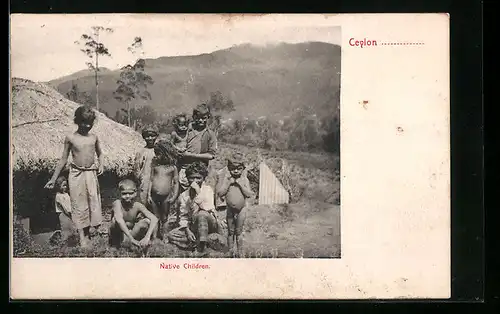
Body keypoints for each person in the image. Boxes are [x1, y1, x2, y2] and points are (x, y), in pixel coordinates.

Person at [44, 106, 104, 249]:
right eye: (84, 122)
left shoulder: (94, 137)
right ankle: (82, 237)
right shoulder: (71, 138)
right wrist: (53, 179)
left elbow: (100, 153)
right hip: (76, 175)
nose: (87, 126)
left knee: (92, 203)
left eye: (90, 122)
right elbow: (63, 159)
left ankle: (89, 234)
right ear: (77, 121)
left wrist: (101, 164)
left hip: (91, 173)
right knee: (79, 204)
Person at [167, 161, 221, 257]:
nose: (195, 180)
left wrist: (198, 192)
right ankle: (200, 240)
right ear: (187, 178)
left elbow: (207, 207)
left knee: (201, 214)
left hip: (209, 222)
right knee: (171, 235)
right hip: (194, 224)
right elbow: (183, 216)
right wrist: (187, 230)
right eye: (192, 177)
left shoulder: (207, 190)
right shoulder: (184, 195)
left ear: (203, 178)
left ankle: (201, 249)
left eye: (198, 178)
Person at [216, 153, 255, 257]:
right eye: (233, 168)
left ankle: (240, 252)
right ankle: (230, 251)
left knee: (239, 231)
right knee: (230, 231)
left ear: (242, 169)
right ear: (229, 168)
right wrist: (229, 184)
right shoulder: (227, 179)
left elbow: (249, 194)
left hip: (241, 209)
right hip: (230, 209)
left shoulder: (244, 180)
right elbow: (220, 193)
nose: (236, 171)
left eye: (239, 169)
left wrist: (241, 185)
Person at [108, 179, 159, 252]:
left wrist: (147, 237)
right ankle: (115, 244)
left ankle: (151, 241)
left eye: (130, 193)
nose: (127, 196)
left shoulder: (137, 205)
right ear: (119, 193)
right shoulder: (117, 203)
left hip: (131, 234)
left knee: (146, 221)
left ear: (135, 193)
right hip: (120, 235)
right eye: (124, 194)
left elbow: (154, 219)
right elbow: (119, 219)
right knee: (114, 221)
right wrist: (132, 239)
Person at [177, 104, 218, 191]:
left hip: (199, 171)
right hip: (184, 168)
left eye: (204, 118)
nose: (200, 120)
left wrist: (191, 155)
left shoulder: (210, 134)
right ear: (194, 117)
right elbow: (177, 141)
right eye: (198, 117)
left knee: (198, 195)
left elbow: (211, 155)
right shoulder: (187, 128)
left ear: (208, 117)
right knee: (182, 196)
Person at [148, 139, 179, 239]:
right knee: (155, 216)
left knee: (164, 217)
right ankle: (154, 236)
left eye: (158, 154)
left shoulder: (172, 168)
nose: (156, 156)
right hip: (153, 196)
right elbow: (151, 180)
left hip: (166, 196)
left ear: (166, 154)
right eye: (155, 154)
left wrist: (174, 196)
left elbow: (176, 182)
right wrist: (148, 194)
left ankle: (165, 235)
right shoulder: (155, 166)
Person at [134, 125, 159, 205]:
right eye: (148, 136)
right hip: (145, 178)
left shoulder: (159, 150)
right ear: (144, 137)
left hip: (157, 178)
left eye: (152, 136)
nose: (150, 138)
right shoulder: (142, 151)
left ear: (156, 136)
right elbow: (137, 167)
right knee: (144, 199)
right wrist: (139, 177)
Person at [50, 175, 77, 244]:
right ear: (59, 186)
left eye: (66, 185)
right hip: (63, 214)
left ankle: (72, 243)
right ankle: (64, 244)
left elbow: (70, 203)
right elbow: (62, 207)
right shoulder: (58, 196)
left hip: (70, 213)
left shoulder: (66, 194)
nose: (65, 187)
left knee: (72, 228)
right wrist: (68, 213)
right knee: (65, 229)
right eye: (63, 185)